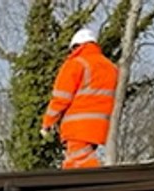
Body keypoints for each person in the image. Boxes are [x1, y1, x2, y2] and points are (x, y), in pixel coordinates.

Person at [42, 28, 119, 169]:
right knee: (74, 164)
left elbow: (61, 98)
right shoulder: (111, 68)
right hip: (100, 127)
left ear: (77, 47)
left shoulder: (76, 64)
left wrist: (48, 122)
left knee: (81, 165)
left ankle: (97, 187)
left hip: (77, 127)